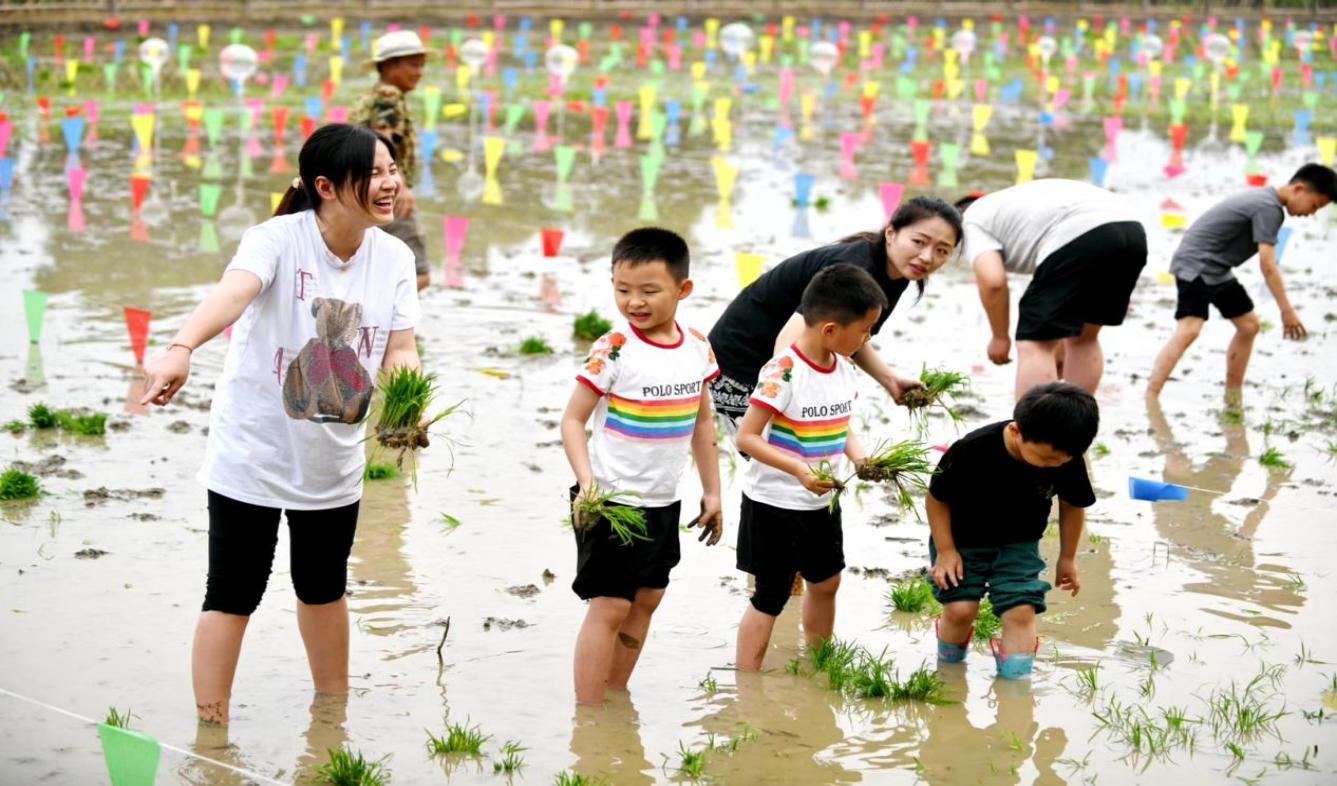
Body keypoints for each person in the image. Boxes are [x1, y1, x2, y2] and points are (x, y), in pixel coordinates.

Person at [139, 124, 424, 724]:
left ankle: (332, 719)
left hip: (333, 458)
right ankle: (211, 729)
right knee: (233, 593)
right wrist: (182, 346)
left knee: (323, 588)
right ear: (325, 186)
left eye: (391, 168)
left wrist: (406, 398)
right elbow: (234, 294)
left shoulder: (395, 255)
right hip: (255, 452)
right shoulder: (276, 240)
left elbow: (401, 346)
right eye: (373, 172)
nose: (390, 181)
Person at [560, 227, 724, 706]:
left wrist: (712, 492)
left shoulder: (697, 347)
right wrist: (587, 482)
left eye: (649, 291)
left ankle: (616, 694)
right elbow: (572, 420)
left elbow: (703, 423)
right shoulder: (613, 347)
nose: (634, 302)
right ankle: (590, 717)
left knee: (648, 598)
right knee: (610, 604)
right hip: (610, 501)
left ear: (682, 290)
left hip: (663, 500)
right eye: (622, 289)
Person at [733, 264, 886, 671]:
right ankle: (747, 683)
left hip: (822, 502)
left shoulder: (843, 367)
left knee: (827, 581)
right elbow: (746, 438)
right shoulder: (782, 372)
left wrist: (860, 457)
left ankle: (820, 664)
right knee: (771, 596)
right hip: (775, 502)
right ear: (831, 329)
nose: (868, 338)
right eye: (866, 329)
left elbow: (840, 424)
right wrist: (799, 469)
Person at [708, 197, 962, 429]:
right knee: (775, 464)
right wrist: (794, 399)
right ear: (891, 233)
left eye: (942, 250)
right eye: (919, 242)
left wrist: (890, 381)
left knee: (795, 465)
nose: (927, 257)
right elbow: (788, 342)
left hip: (773, 366)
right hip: (740, 363)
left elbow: (851, 333)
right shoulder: (855, 270)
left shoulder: (896, 273)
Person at [927, 382, 1098, 679]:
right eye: (1046, 459)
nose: (1054, 465)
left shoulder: (1066, 456)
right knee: (961, 610)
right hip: (962, 541)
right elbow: (937, 499)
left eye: (1062, 460)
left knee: (1021, 610)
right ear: (1017, 432)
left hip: (1019, 543)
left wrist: (1067, 557)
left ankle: (1016, 689)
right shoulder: (973, 449)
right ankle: (949, 676)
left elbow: (1072, 505)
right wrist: (945, 551)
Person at [1146, 163, 1336, 396]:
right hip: (1196, 264)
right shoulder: (1269, 208)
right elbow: (1268, 266)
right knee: (1190, 329)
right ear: (1299, 189)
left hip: (1217, 269)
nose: (1311, 213)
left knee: (1248, 326)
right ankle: (1151, 395)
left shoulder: (1267, 200)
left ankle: (1233, 394)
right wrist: (1287, 311)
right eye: (1315, 205)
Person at [955, 179, 1146, 400]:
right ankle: (1077, 426)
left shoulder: (970, 222)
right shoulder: (1011, 205)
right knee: (1084, 338)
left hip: (1080, 232)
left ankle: (1036, 431)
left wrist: (1000, 337)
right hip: (1131, 231)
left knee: (1035, 343)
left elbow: (993, 281)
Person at [352, 30, 431, 291]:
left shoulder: (372, 96)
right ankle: (383, 327)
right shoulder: (389, 96)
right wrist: (400, 186)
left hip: (364, 190)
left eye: (421, 64)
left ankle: (367, 325)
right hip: (387, 192)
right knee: (417, 276)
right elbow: (382, 141)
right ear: (388, 66)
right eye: (413, 64)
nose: (419, 72)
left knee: (380, 267)